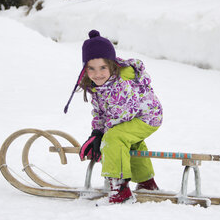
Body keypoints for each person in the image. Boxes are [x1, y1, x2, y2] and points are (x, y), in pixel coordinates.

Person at [64, 30, 163, 204]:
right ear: (85, 69)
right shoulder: (97, 86)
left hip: (147, 116)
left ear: (112, 65)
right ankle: (147, 182)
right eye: (91, 69)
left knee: (114, 138)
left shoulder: (121, 84)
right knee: (127, 140)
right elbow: (100, 112)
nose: (98, 74)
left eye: (103, 67)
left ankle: (120, 188)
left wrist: (103, 136)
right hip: (134, 117)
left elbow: (124, 114)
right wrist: (96, 131)